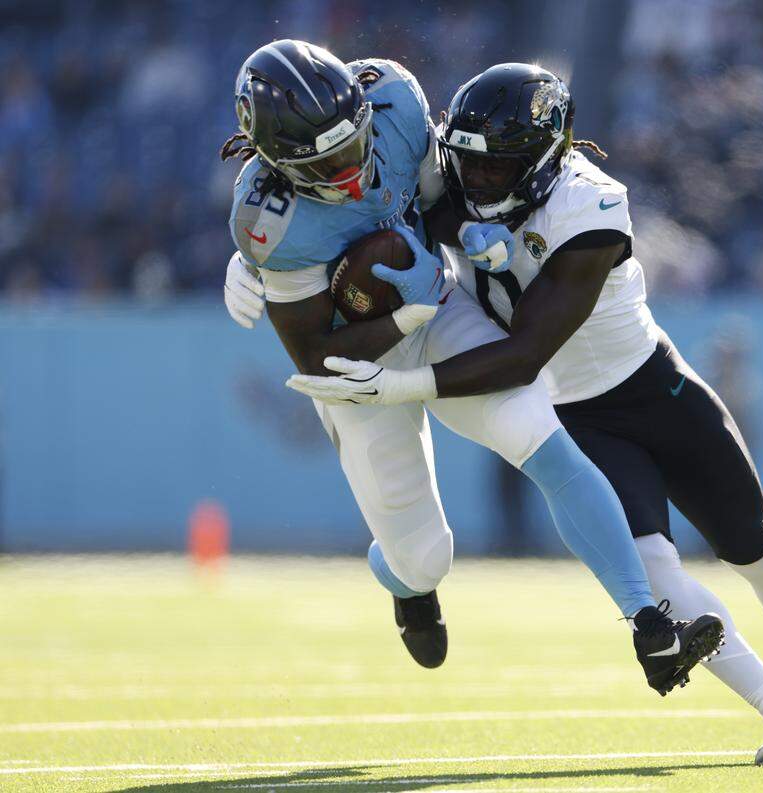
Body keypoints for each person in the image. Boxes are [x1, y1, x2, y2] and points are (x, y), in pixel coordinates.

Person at [284, 63, 763, 764]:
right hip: (580, 416)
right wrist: (264, 270)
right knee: (656, 572)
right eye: (467, 167)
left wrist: (403, 385)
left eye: (496, 168)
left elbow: (522, 352)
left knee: (759, 552)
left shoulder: (590, 206)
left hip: (653, 390)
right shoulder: (459, 173)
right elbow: (363, 211)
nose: (474, 185)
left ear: (544, 158)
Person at [220, 40, 723, 695]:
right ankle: (407, 584)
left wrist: (470, 242)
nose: (350, 170)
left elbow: (439, 204)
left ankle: (650, 627)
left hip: (436, 306)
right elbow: (318, 355)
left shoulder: (394, 100)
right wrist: (399, 311)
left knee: (541, 433)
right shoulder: (268, 219)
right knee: (428, 555)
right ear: (276, 161)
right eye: (326, 162)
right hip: (356, 362)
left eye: (353, 145)